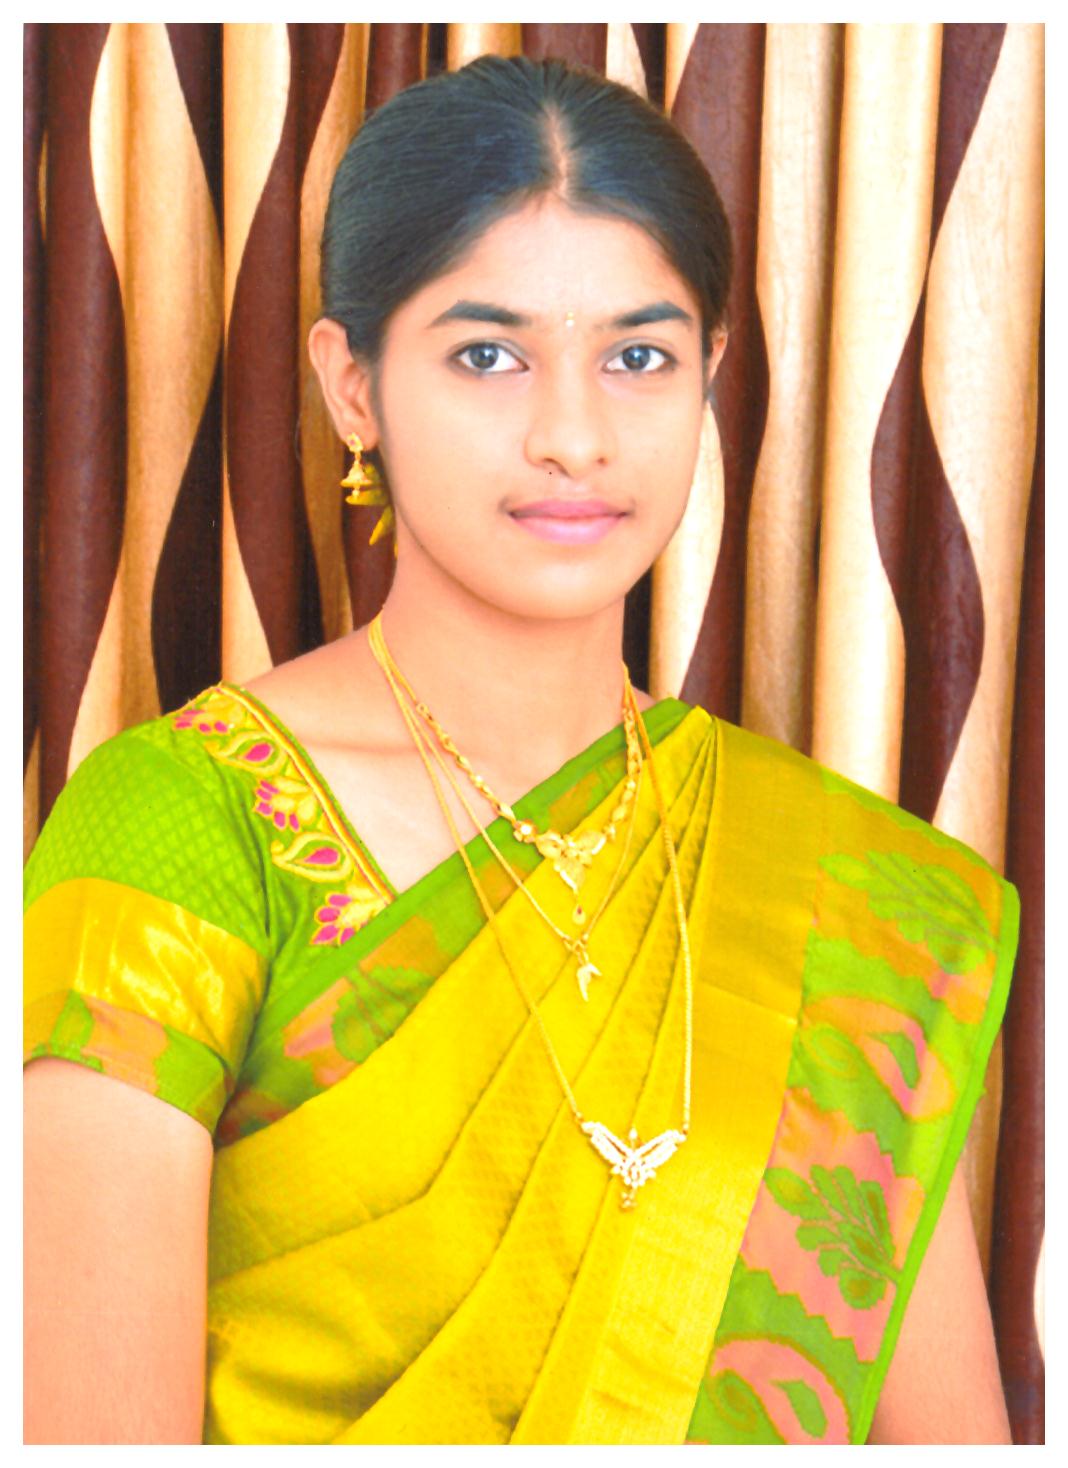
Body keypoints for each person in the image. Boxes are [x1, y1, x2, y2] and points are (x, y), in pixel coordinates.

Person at [24, 54, 1017, 1445]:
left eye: (638, 356)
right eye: (487, 355)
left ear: (711, 376)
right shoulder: (187, 824)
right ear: (353, 385)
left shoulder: (841, 902)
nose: (573, 436)